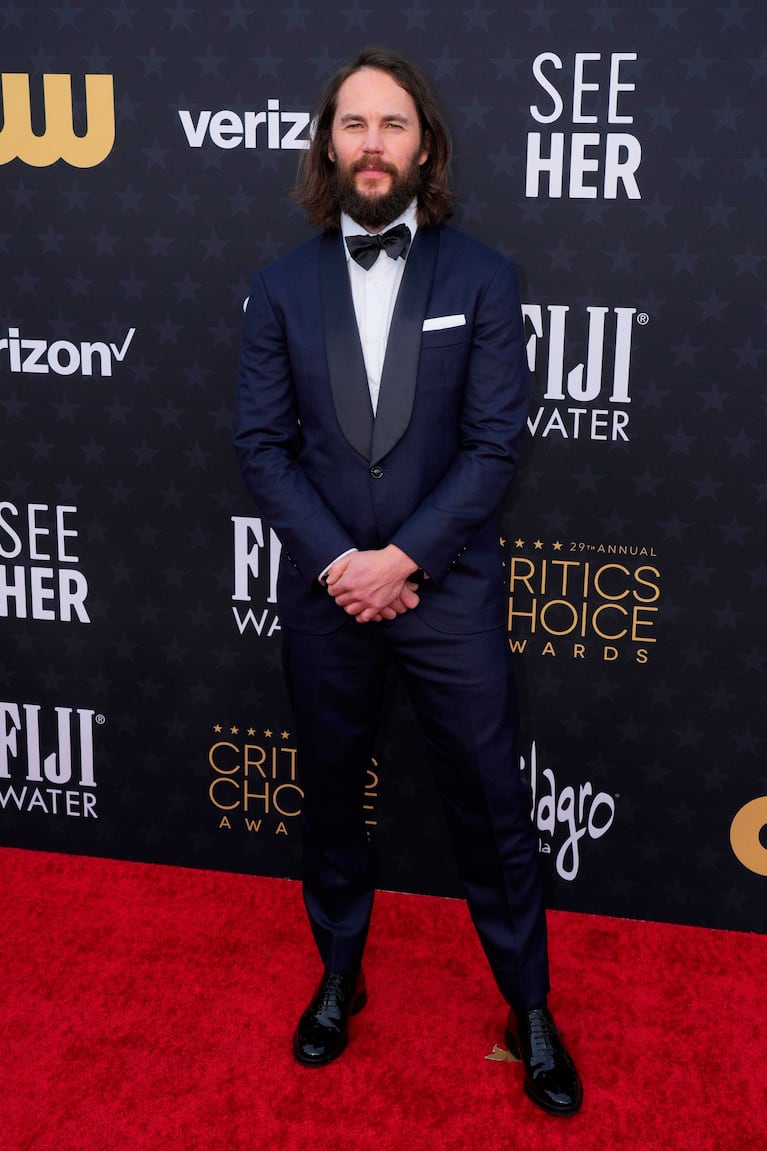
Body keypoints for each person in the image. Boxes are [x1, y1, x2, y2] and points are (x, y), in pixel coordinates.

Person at [234, 47, 582, 1116]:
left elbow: (490, 447)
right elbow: (261, 445)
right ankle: (339, 971)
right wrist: (343, 563)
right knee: (332, 795)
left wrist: (402, 560)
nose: (371, 143)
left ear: (422, 143)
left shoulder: (479, 275)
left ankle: (526, 1004)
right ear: (326, 144)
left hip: (449, 593)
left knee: (489, 805)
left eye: (392, 124)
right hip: (327, 596)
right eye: (352, 124)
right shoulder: (279, 287)